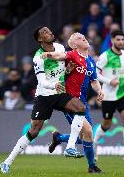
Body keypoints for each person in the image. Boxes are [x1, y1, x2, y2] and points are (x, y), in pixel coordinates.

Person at [0, 27, 87, 174]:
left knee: (81, 108)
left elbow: (61, 67)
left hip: (59, 93)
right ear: (40, 39)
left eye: (49, 30)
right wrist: (55, 84)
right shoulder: (38, 58)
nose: (50, 32)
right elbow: (42, 81)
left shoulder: (59, 47)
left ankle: (70, 147)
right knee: (34, 131)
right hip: (44, 96)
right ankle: (7, 161)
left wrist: (67, 71)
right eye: (45, 32)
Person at [42, 32, 103, 173]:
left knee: (86, 137)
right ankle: (92, 166)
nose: (85, 39)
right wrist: (48, 55)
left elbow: (94, 81)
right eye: (80, 38)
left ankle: (59, 138)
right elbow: (60, 56)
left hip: (83, 103)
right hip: (70, 101)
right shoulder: (73, 54)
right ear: (75, 44)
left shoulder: (91, 61)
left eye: (84, 37)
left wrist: (99, 90)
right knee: (87, 131)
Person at [93, 30, 124, 163]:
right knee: (106, 125)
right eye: (118, 40)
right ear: (112, 40)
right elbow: (95, 74)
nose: (121, 42)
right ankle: (94, 144)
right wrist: (109, 81)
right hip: (108, 96)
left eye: (122, 40)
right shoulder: (105, 56)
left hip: (123, 93)